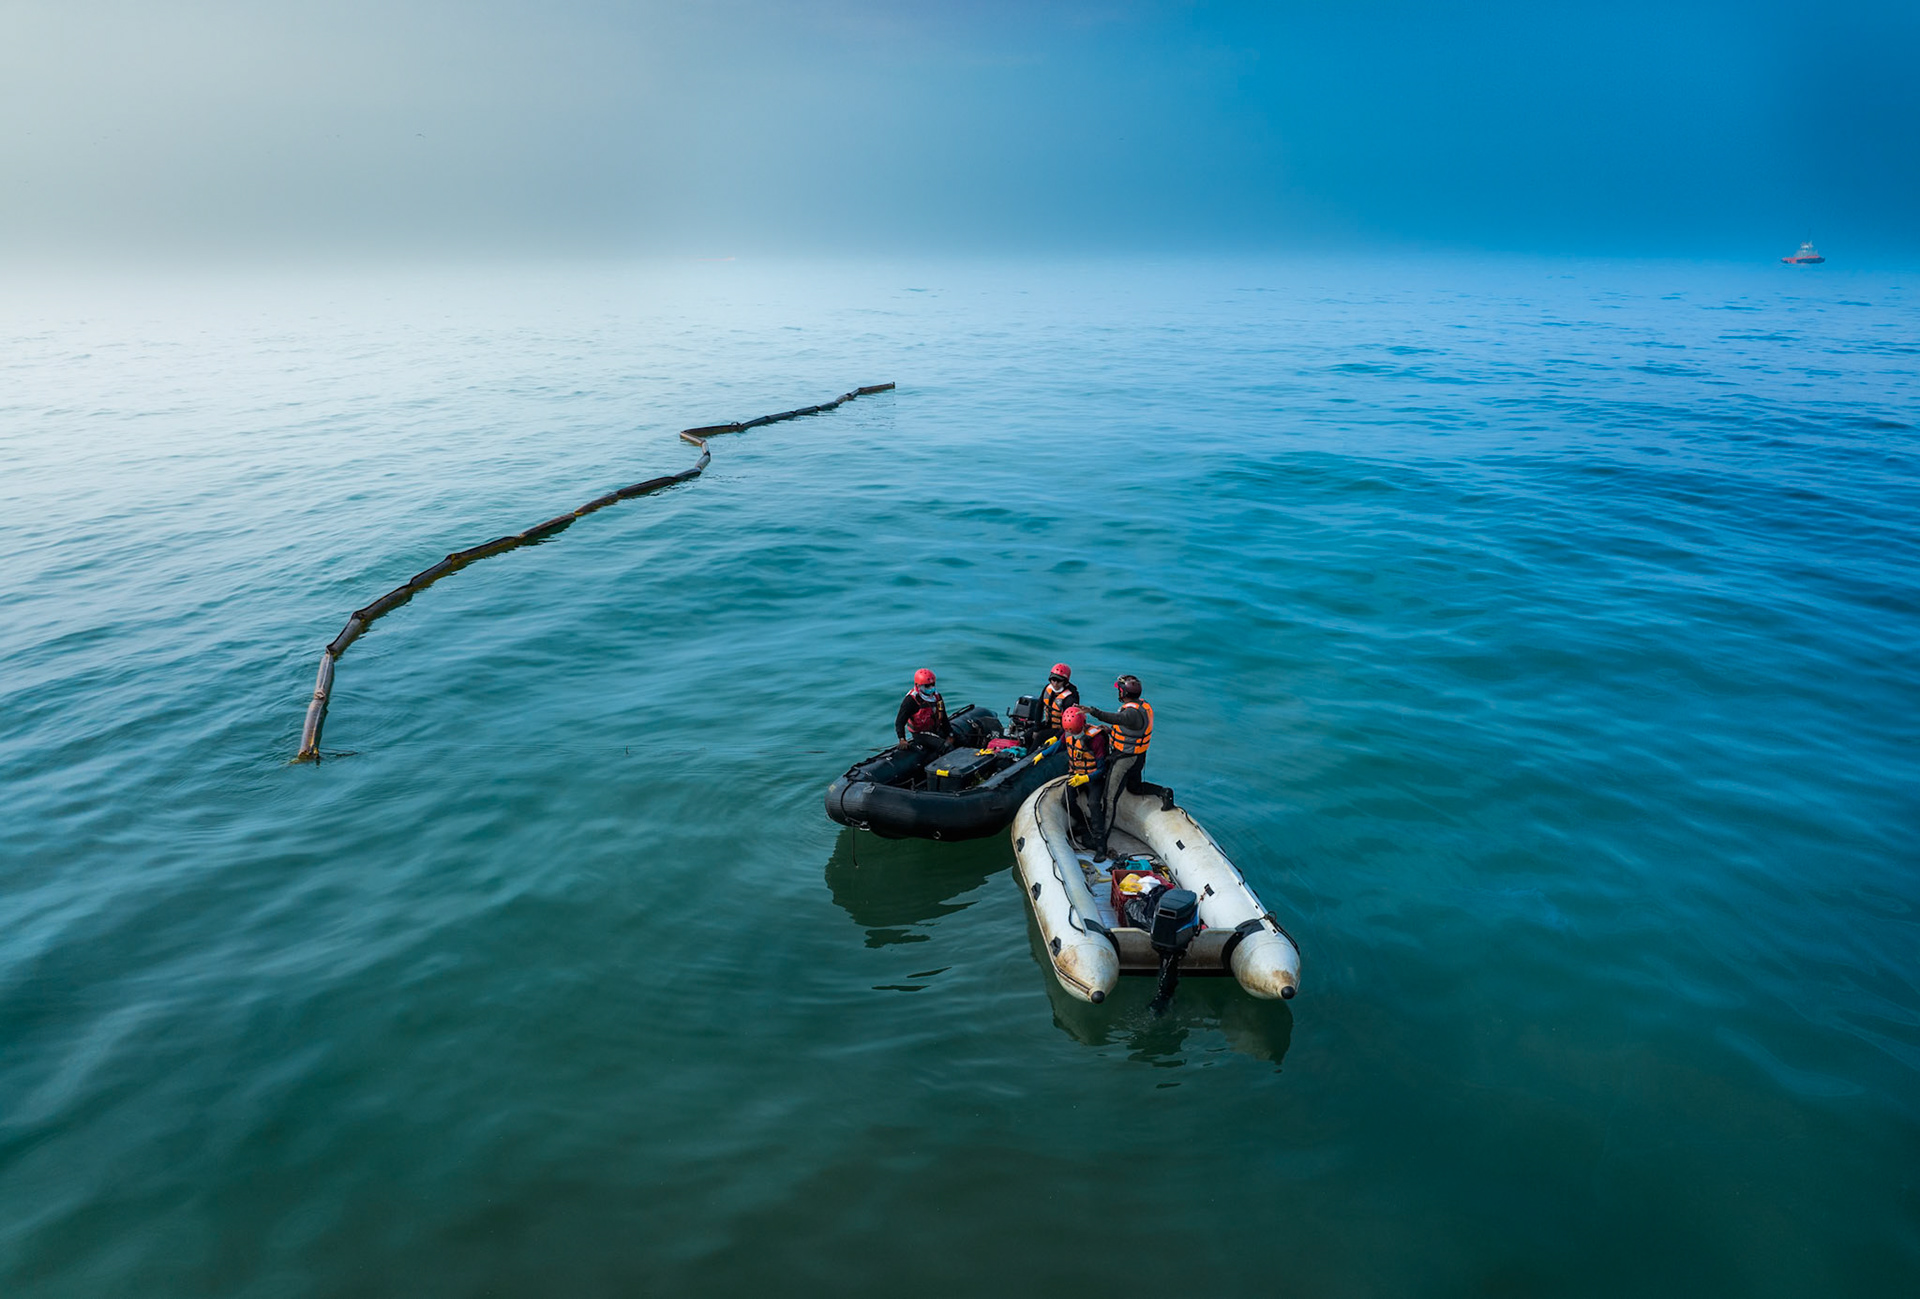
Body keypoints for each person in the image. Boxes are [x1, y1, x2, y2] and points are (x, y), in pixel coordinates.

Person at [1087, 675, 1175, 856]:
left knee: (1109, 799)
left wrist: (1091, 711)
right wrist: (1110, 731)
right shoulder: (1141, 706)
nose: (1118, 692)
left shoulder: (1130, 713)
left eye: (1119, 689)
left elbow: (1113, 717)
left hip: (1125, 759)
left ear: (1124, 692)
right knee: (1134, 787)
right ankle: (1164, 792)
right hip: (1138, 756)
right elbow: (1131, 730)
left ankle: (1101, 843)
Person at [1060, 706, 1108, 851]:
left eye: (1074, 731)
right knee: (1066, 800)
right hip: (1076, 774)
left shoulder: (1096, 739)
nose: (1073, 734)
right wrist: (1043, 754)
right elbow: (1059, 745)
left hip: (1094, 777)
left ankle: (1101, 844)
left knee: (1093, 804)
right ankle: (1083, 823)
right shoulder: (1068, 733)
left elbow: (1102, 769)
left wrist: (1085, 778)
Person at [894, 668, 951, 756]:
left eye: (932, 684)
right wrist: (902, 739)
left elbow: (943, 717)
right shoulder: (911, 700)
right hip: (920, 734)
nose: (931, 688)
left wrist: (950, 734)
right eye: (927, 686)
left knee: (958, 738)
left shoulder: (936, 696)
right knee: (945, 746)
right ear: (918, 685)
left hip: (935, 728)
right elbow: (900, 722)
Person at [1037, 663, 1079, 742]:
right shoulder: (1047, 689)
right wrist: (1036, 727)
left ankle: (1030, 753)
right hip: (1048, 724)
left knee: (1040, 736)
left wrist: (1056, 737)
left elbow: (1070, 724)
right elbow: (1039, 707)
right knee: (1028, 734)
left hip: (1060, 730)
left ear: (1065, 682)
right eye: (1053, 680)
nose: (1055, 683)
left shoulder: (1070, 698)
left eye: (1059, 681)